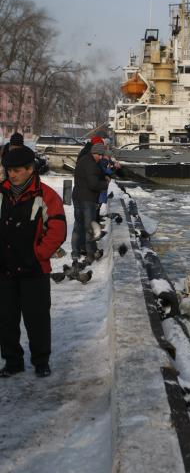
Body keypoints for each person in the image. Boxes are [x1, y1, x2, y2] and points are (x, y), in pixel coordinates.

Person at [0, 145, 67, 378]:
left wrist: (38, 254)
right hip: (4, 269)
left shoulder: (46, 195)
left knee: (36, 319)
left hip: (34, 270)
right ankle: (12, 362)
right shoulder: (2, 193)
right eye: (9, 170)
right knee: (6, 319)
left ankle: (41, 361)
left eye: (17, 170)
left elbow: (57, 231)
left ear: (30, 169)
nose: (11, 175)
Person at [71, 142, 109, 264]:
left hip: (77, 197)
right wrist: (105, 183)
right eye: (100, 155)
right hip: (87, 199)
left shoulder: (82, 160)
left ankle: (75, 253)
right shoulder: (92, 164)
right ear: (94, 153)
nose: (101, 157)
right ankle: (90, 253)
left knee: (78, 226)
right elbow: (93, 184)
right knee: (90, 228)